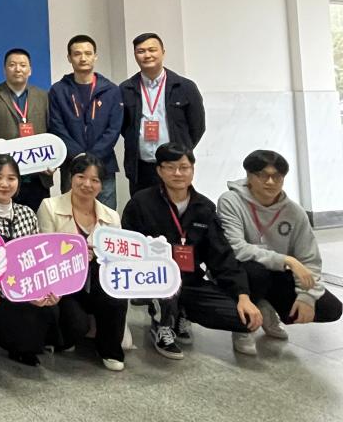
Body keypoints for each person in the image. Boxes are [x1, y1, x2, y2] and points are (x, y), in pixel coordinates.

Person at [120, 143, 262, 359]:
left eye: (184, 167)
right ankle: (161, 324)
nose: (178, 173)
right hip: (153, 279)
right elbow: (128, 247)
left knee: (244, 320)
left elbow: (221, 255)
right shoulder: (141, 203)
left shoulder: (204, 207)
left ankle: (181, 312)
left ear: (192, 170)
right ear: (159, 171)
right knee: (166, 290)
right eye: (170, 167)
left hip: (189, 280)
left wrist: (243, 296)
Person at [217, 150, 342, 351]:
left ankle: (265, 307)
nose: (271, 182)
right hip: (241, 273)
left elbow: (309, 259)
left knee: (330, 309)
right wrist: (286, 260)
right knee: (255, 271)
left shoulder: (294, 212)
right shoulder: (231, 201)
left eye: (277, 176)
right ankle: (243, 326)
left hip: (277, 274)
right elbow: (236, 247)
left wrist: (306, 296)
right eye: (263, 175)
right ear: (249, 176)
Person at [0, 154, 57, 366]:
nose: (5, 184)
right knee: (15, 317)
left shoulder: (27, 214)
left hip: (24, 288)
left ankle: (22, 346)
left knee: (49, 312)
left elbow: (36, 260)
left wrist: (38, 291)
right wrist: (8, 291)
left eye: (11, 178)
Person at [37, 154, 128, 371]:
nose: (87, 184)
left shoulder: (111, 216)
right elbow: (43, 253)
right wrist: (72, 256)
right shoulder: (49, 206)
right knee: (76, 326)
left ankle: (110, 351)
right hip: (64, 280)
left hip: (97, 278)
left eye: (95, 180)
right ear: (71, 177)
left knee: (115, 295)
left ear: (102, 184)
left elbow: (116, 258)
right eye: (81, 177)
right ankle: (63, 338)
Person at [119, 33, 205, 195]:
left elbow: (197, 126)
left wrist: (181, 149)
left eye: (152, 50)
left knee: (176, 207)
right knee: (142, 208)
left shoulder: (185, 87)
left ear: (163, 52)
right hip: (140, 166)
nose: (147, 55)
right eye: (141, 51)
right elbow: (125, 127)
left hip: (175, 167)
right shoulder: (126, 89)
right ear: (135, 55)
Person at [47, 35, 123, 210]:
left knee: (105, 218)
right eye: (77, 54)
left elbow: (114, 129)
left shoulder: (111, 90)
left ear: (95, 56)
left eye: (88, 53)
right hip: (72, 166)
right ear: (69, 58)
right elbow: (57, 127)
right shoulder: (58, 90)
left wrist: (92, 157)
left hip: (104, 166)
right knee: (70, 216)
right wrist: (79, 157)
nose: (83, 58)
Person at [0, 48, 52, 212]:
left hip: (38, 176)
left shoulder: (43, 96)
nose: (18, 69)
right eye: (12, 65)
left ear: (30, 70)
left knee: (38, 222)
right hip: (4, 177)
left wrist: (53, 160)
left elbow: (51, 131)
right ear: (5, 69)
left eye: (23, 65)